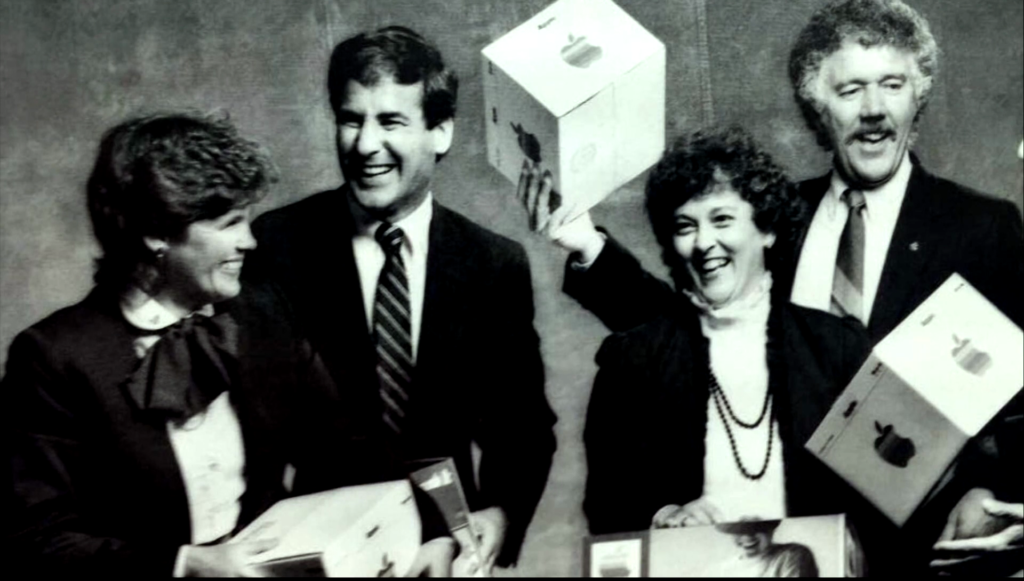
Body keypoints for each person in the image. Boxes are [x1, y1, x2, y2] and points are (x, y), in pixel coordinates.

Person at [521, 0, 1022, 573]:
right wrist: (589, 247)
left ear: (918, 94)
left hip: (912, 544)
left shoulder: (980, 226)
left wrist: (989, 490)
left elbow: (1013, 393)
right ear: (817, 105)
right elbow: (698, 327)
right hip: (784, 540)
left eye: (893, 84)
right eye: (851, 89)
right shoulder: (779, 215)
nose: (876, 109)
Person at [244, 26, 556, 572]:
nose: (365, 145)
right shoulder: (277, 245)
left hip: (443, 555)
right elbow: (253, 433)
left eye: (390, 121)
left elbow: (522, 429)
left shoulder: (492, 264)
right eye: (350, 118)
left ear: (441, 132)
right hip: (313, 556)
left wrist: (497, 519)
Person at [5, 113, 297, 577]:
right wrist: (186, 564)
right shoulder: (53, 357)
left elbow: (346, 439)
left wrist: (433, 529)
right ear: (157, 234)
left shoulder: (254, 317)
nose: (250, 240)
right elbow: (37, 539)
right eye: (230, 223)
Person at [582, 128, 873, 565]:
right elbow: (605, 506)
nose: (702, 243)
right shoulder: (629, 360)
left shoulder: (838, 349)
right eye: (685, 226)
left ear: (767, 229)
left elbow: (882, 499)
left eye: (722, 220)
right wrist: (664, 516)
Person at [715, 520, 818, 578]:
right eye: (738, 531)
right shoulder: (724, 569)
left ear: (771, 530)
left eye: (756, 529)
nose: (747, 537)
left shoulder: (791, 555)